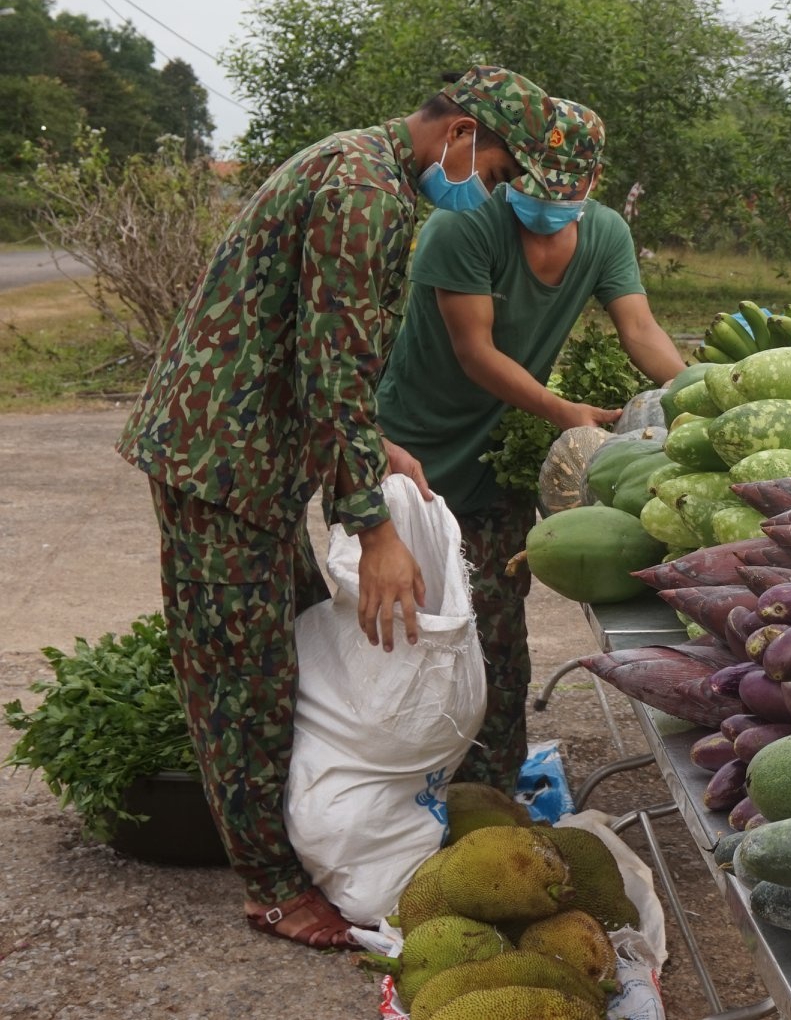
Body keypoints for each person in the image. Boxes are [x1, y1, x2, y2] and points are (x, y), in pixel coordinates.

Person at [118, 65, 578, 949]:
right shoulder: (362, 194)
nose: (488, 190)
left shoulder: (362, 170)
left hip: (252, 446)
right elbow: (329, 361)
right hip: (221, 455)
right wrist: (373, 529)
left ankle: (293, 837)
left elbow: (326, 352)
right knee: (241, 677)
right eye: (495, 171)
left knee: (290, 639)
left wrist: (373, 443)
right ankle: (270, 886)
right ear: (462, 134)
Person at [377, 98, 684, 795]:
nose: (543, 201)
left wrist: (705, 392)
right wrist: (564, 411)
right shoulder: (464, 226)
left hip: (498, 457)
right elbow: (475, 351)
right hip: (413, 449)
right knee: (409, 623)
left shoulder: (605, 234)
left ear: (593, 178)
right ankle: (396, 783)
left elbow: (640, 331)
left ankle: (489, 787)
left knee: (496, 624)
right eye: (532, 184)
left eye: (563, 189)